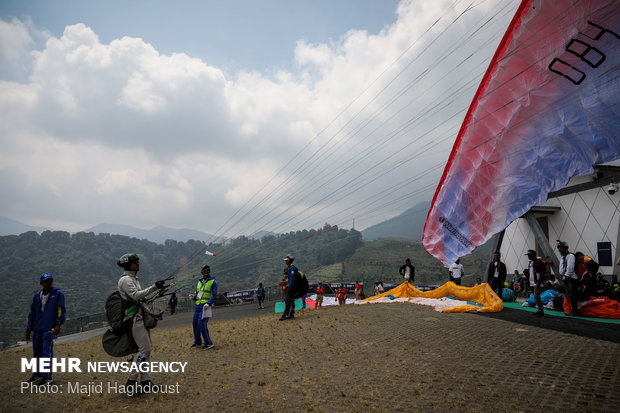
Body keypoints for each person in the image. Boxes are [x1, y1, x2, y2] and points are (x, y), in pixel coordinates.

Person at [117, 253, 166, 393]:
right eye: (135, 262)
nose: (138, 263)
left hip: (140, 316)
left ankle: (146, 382)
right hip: (134, 319)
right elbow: (136, 296)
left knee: (147, 350)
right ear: (128, 265)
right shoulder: (125, 280)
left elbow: (139, 298)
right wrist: (154, 287)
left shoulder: (133, 278)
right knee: (145, 350)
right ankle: (131, 382)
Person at [25, 273, 66, 386]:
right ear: (41, 283)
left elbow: (60, 309)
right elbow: (32, 313)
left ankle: (47, 377)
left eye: (50, 280)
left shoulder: (57, 294)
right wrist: (29, 328)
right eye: (46, 281)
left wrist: (58, 323)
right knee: (36, 353)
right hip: (37, 328)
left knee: (46, 352)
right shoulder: (37, 295)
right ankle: (36, 374)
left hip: (48, 328)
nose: (48, 283)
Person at [191, 264, 218, 350]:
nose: (206, 272)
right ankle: (198, 342)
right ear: (202, 272)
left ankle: (208, 343)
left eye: (208, 270)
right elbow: (199, 294)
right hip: (198, 306)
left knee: (201, 324)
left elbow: (214, 295)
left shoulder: (213, 282)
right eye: (205, 270)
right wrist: (194, 297)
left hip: (205, 306)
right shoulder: (200, 282)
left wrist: (209, 303)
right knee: (195, 324)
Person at [557, 240, 579, 316]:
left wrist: (566, 276)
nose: (559, 249)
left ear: (565, 248)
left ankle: (575, 310)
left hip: (571, 278)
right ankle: (572, 309)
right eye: (558, 248)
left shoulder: (570, 256)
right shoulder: (563, 257)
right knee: (569, 295)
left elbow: (570, 267)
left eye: (560, 248)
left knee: (573, 295)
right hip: (565, 277)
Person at [526, 250, 546, 316]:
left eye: (529, 255)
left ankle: (541, 311)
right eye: (528, 255)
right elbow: (530, 273)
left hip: (536, 282)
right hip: (531, 282)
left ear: (534, 255)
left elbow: (542, 273)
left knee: (536, 296)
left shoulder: (539, 262)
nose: (528, 256)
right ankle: (539, 310)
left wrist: (539, 282)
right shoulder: (530, 263)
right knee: (536, 297)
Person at [280, 255, 298, 321]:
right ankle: (291, 313)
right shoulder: (290, 268)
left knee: (287, 300)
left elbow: (292, 279)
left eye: (286, 260)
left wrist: (290, 287)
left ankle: (285, 315)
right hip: (290, 287)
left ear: (289, 261)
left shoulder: (292, 268)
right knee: (290, 301)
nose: (285, 262)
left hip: (291, 287)